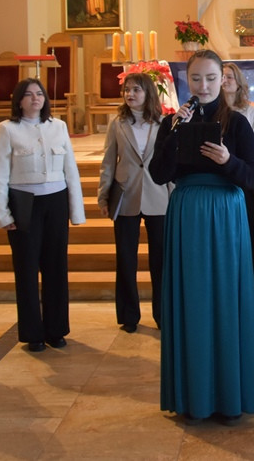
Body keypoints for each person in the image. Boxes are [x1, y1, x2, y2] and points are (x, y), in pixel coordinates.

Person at [149, 49, 254, 421]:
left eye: (211, 78)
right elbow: (158, 174)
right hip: (187, 214)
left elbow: (251, 178)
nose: (203, 86)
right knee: (192, 299)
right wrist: (174, 133)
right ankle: (192, 396)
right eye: (196, 78)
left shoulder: (238, 122)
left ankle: (230, 395)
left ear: (223, 80)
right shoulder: (173, 122)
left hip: (226, 215)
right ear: (187, 80)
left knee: (226, 298)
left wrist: (227, 161)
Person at [0, 78, 85, 353]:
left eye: (39, 94)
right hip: (24, 203)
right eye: (29, 94)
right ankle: (32, 333)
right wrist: (2, 214)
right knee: (27, 269)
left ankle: (56, 329)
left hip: (55, 201)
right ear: (19, 100)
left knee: (56, 267)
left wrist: (76, 210)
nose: (35, 98)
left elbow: (70, 170)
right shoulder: (7, 129)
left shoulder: (58, 126)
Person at [98, 72, 168, 333]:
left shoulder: (163, 123)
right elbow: (108, 162)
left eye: (136, 89)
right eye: (127, 90)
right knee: (126, 259)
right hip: (126, 195)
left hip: (158, 195)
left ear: (148, 93)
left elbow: (170, 162)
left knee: (161, 260)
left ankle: (163, 314)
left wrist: (174, 195)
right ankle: (128, 315)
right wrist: (103, 195)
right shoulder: (117, 123)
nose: (130, 94)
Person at [222, 62, 254, 289]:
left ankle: (248, 283)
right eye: (221, 76)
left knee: (249, 237)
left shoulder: (250, 112)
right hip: (219, 185)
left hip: (244, 182)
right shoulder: (209, 110)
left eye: (230, 76)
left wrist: (247, 175)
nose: (225, 80)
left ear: (239, 83)